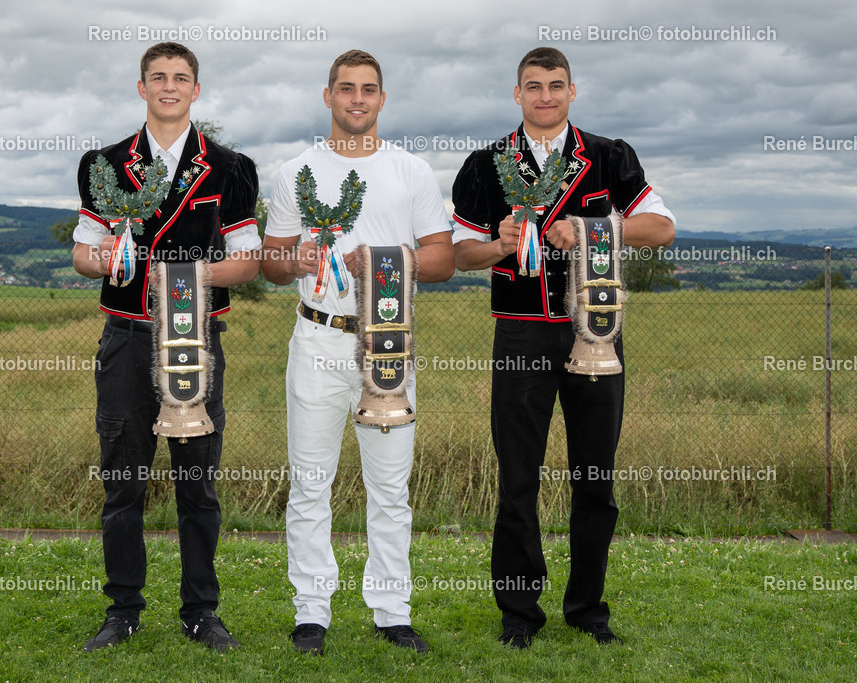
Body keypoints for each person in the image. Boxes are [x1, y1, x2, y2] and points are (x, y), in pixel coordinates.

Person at [450, 46, 675, 650]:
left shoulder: (608, 157)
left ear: (572, 92)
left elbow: (662, 228)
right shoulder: (484, 165)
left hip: (596, 329)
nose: (544, 95)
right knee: (518, 476)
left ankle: (588, 609)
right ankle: (519, 613)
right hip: (521, 330)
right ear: (516, 94)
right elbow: (456, 255)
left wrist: (593, 230)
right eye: (533, 85)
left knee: (595, 475)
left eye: (555, 85)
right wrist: (499, 245)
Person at [262, 49, 454, 656]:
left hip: (389, 339)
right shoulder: (295, 171)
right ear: (328, 96)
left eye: (368, 89)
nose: (357, 99)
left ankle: (392, 611)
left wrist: (381, 263)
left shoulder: (412, 171)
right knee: (311, 482)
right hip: (319, 335)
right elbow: (270, 263)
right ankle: (311, 612)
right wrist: (294, 261)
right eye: (346, 89)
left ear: (382, 98)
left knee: (390, 486)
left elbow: (444, 259)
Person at [72, 42, 260, 652]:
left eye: (181, 78)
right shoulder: (102, 164)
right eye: (159, 77)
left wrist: (187, 277)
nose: (170, 87)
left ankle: (200, 611)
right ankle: (123, 608)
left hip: (196, 337)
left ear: (196, 90)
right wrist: (103, 256)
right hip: (127, 339)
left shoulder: (230, 167)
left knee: (197, 481)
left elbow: (247, 261)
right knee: (124, 479)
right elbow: (82, 253)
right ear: (141, 87)